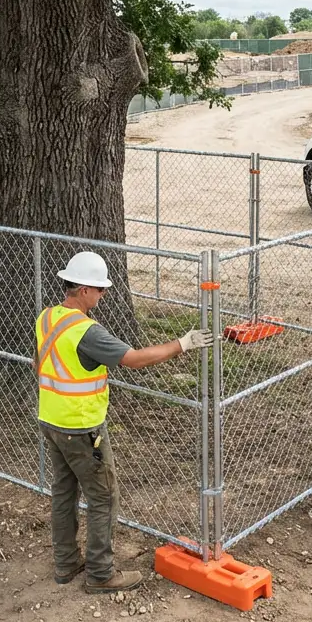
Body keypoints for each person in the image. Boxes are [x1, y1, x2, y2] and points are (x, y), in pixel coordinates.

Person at [36, 251, 214, 593]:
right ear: (85, 289)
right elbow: (133, 359)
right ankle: (101, 575)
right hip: (83, 427)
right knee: (103, 498)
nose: (103, 295)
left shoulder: (47, 318)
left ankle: (65, 563)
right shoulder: (87, 331)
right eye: (100, 289)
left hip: (51, 419)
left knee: (63, 491)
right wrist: (182, 344)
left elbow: (38, 364)